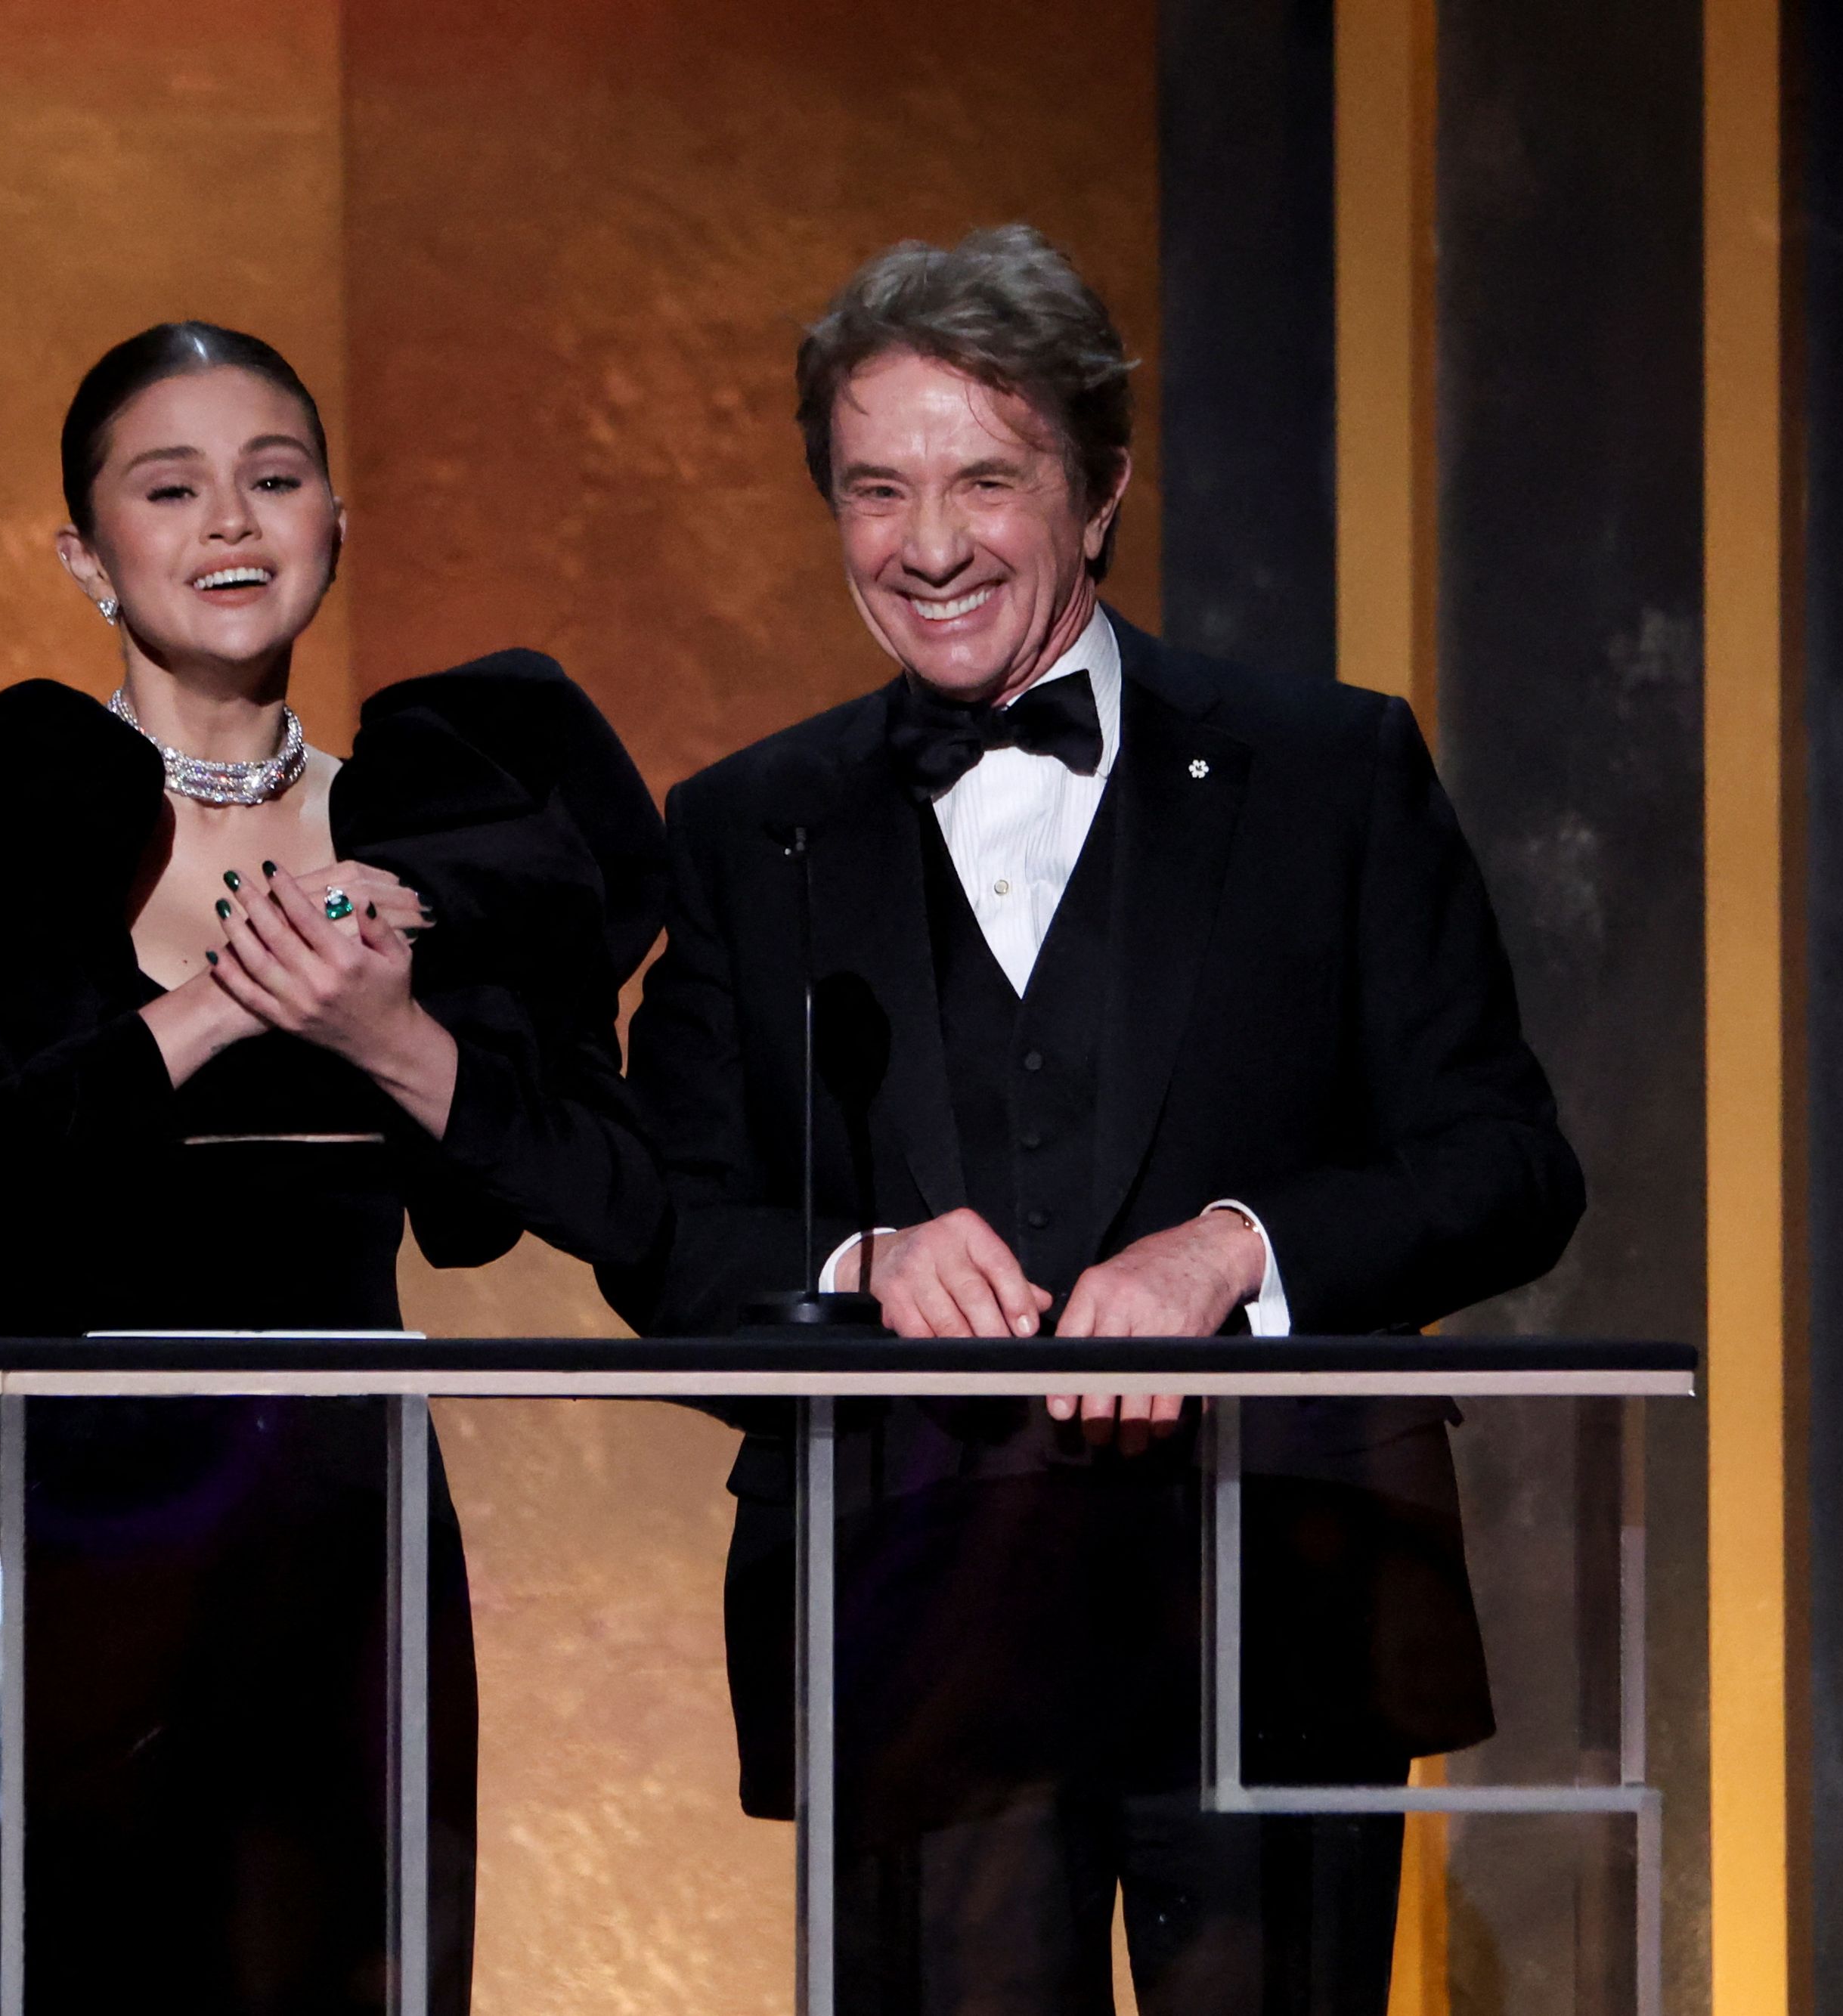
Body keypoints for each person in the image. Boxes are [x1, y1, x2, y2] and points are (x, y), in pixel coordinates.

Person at [0, 322, 668, 2013]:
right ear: (86, 556)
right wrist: (204, 1012)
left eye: (272, 476)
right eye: (168, 488)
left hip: (339, 1527)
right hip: (46, 1519)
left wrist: (388, 1021)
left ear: (335, 515)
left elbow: (587, 1202)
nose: (229, 522)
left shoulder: (441, 831)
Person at [604, 228, 1584, 2014]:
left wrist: (1237, 1250)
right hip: (913, 1630)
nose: (927, 544)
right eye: (873, 487)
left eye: (986, 478)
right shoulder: (753, 827)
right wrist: (856, 1262)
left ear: (1100, 487)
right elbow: (664, 1230)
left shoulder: (1326, 771)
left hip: (1271, 1596)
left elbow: (1504, 1160)